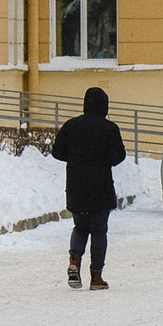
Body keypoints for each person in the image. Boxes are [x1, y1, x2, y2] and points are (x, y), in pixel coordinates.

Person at [51, 86, 126, 290]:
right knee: (99, 230)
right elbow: (118, 157)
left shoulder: (71, 126)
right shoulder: (109, 128)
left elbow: (57, 152)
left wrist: (76, 156)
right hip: (101, 187)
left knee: (80, 226)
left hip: (76, 185)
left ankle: (74, 261)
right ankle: (96, 278)